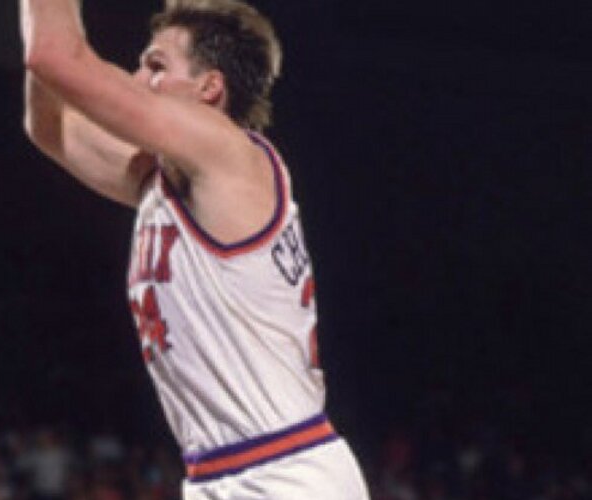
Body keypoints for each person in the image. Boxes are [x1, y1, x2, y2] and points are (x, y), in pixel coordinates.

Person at [19, 0, 369, 498]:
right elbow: (49, 126)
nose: (138, 79)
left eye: (156, 66)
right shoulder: (161, 181)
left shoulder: (227, 151)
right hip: (219, 474)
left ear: (210, 88)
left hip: (285, 472)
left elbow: (55, 57)